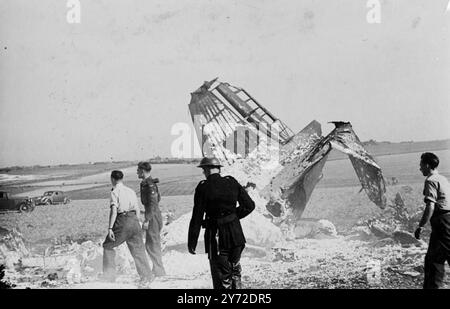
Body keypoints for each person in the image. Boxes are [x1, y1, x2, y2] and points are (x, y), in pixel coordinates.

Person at [188, 157, 255, 289]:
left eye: (203, 170)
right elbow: (249, 205)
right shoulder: (231, 182)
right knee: (235, 272)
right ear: (219, 169)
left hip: (217, 238)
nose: (203, 173)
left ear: (206, 170)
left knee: (222, 277)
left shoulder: (203, 187)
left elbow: (197, 217)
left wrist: (192, 242)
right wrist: (232, 217)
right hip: (236, 236)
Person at [102, 170, 153, 285]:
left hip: (123, 220)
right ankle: (147, 276)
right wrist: (138, 223)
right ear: (122, 178)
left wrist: (110, 228)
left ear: (112, 179)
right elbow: (137, 209)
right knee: (138, 250)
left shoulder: (115, 192)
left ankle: (109, 276)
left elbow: (114, 210)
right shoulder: (130, 191)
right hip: (134, 220)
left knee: (107, 245)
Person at [414, 152, 450, 289]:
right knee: (433, 260)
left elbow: (430, 205)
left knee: (435, 260)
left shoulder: (431, 181)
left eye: (421, 165)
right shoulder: (442, 179)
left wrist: (421, 226)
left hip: (442, 222)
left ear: (427, 165)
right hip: (444, 221)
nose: (420, 168)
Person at [137, 161, 166, 277]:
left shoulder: (149, 184)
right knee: (152, 243)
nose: (136, 173)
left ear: (143, 171)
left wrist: (147, 219)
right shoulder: (147, 183)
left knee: (152, 244)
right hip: (153, 213)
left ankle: (159, 271)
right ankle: (157, 269)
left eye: (138, 170)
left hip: (153, 215)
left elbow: (154, 202)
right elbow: (158, 198)